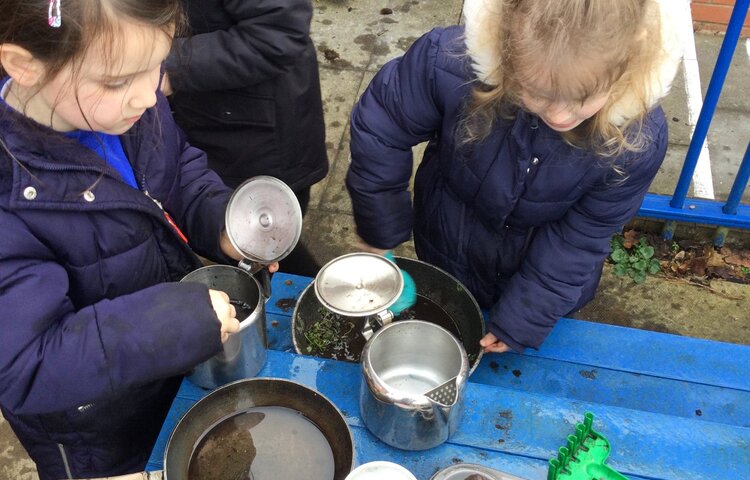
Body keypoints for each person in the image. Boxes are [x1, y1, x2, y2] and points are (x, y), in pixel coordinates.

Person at [0, 1, 275, 478]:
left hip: (171, 370)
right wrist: (173, 322)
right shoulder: (9, 197)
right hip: (102, 433)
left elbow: (174, 166)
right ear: (24, 66)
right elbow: (25, 366)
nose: (149, 96)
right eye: (117, 81)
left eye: (157, 65)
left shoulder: (127, 107)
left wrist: (221, 220)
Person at [347, 0, 686, 353]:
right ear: (506, 53)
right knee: (450, 301)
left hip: (538, 269)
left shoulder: (636, 140)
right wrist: (379, 226)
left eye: (581, 97)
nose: (558, 114)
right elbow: (382, 127)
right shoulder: (449, 62)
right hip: (448, 234)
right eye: (536, 93)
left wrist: (527, 315)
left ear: (626, 66)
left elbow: (580, 238)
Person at [163, 0, 329, 278]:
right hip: (202, 118)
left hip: (258, 134)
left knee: (270, 241)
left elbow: (279, 31)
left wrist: (168, 66)